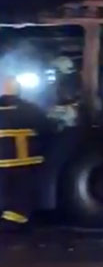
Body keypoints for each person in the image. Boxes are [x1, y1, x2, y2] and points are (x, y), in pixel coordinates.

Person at [0, 77, 56, 230]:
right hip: (23, 166)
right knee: (19, 200)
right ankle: (12, 222)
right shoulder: (28, 109)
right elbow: (49, 128)